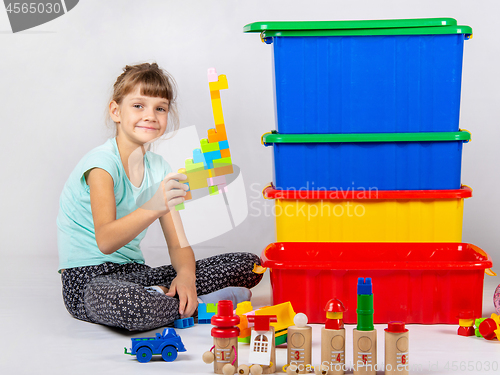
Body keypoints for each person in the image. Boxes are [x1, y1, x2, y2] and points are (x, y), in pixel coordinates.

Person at [57, 62, 262, 331]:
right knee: (130, 306)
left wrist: (186, 276)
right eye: (139, 106)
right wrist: (154, 206)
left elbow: (178, 245)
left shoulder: (160, 168)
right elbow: (106, 240)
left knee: (249, 265)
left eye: (160, 108)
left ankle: (167, 296)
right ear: (116, 111)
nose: (151, 115)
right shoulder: (102, 166)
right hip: (88, 281)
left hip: (136, 273)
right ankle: (200, 306)